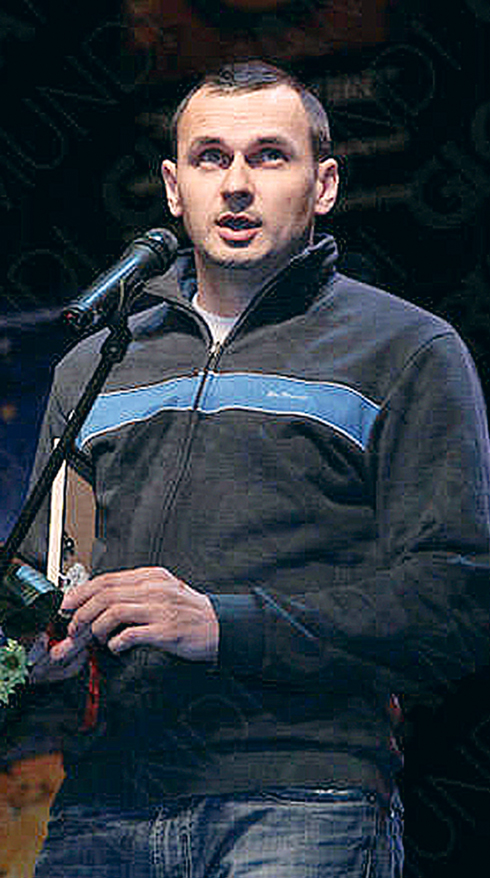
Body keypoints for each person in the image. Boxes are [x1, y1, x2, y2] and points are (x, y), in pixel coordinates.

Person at [14, 60, 490, 876]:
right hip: (102, 804)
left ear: (324, 184)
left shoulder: (407, 350)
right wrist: (36, 646)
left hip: (303, 800)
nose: (236, 184)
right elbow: (47, 577)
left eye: (269, 155)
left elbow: (457, 599)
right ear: (174, 188)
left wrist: (223, 624)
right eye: (210, 157)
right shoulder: (95, 365)